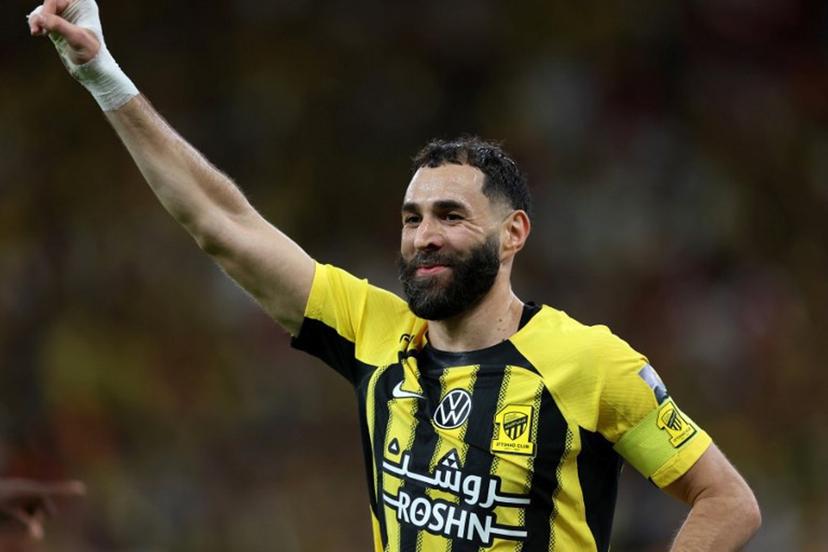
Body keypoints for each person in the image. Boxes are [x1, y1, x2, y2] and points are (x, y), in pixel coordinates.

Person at [27, 1, 761, 550]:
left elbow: (727, 502)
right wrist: (103, 74)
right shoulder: (374, 329)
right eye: (412, 218)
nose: (423, 237)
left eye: (449, 215)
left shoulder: (593, 363)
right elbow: (223, 225)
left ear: (513, 235)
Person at [0, 478, 85, 549]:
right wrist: (67, 488)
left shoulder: (23, 510)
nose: (39, 520)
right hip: (8, 495)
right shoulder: (24, 495)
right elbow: (44, 489)